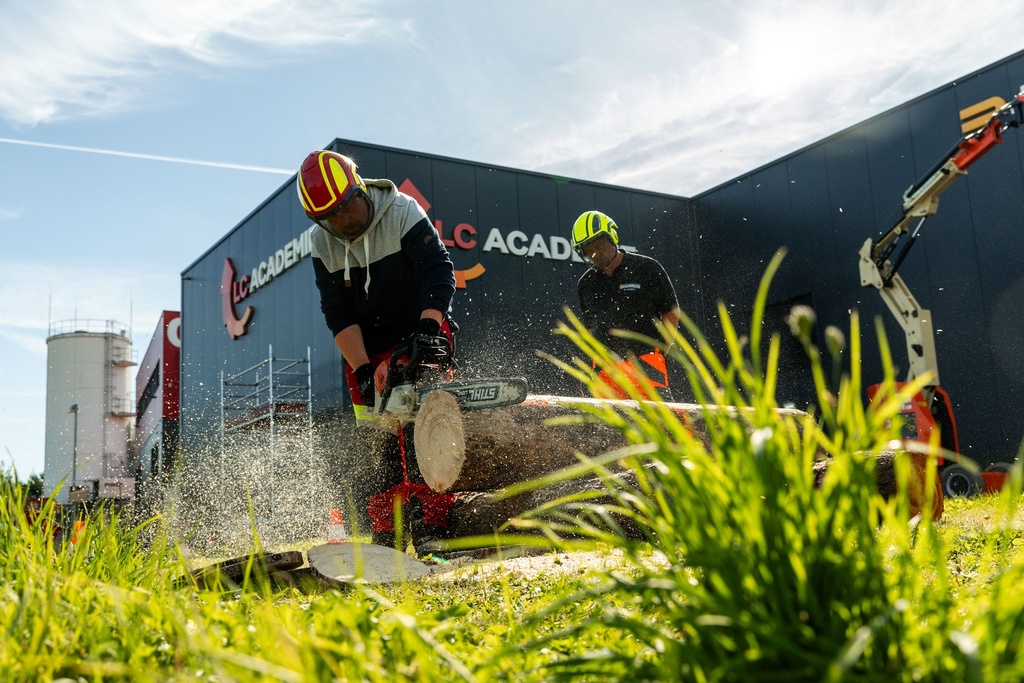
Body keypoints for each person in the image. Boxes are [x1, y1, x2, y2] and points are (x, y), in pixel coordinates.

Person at [297, 149, 458, 552]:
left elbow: (439, 270)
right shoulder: (323, 243)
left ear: (360, 189)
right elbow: (337, 313)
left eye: (346, 209)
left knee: (424, 428)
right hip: (366, 347)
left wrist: (426, 330)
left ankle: (433, 524)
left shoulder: (402, 211)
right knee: (377, 437)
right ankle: (386, 531)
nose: (342, 222)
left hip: (418, 328)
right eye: (329, 217)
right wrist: (365, 369)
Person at [571, 210, 681, 400]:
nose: (596, 253)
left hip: (646, 359)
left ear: (612, 236)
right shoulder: (586, 284)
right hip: (606, 367)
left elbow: (672, 313)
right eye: (589, 250)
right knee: (602, 425)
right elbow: (590, 330)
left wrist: (660, 349)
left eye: (599, 245)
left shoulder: (646, 268)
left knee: (661, 421)